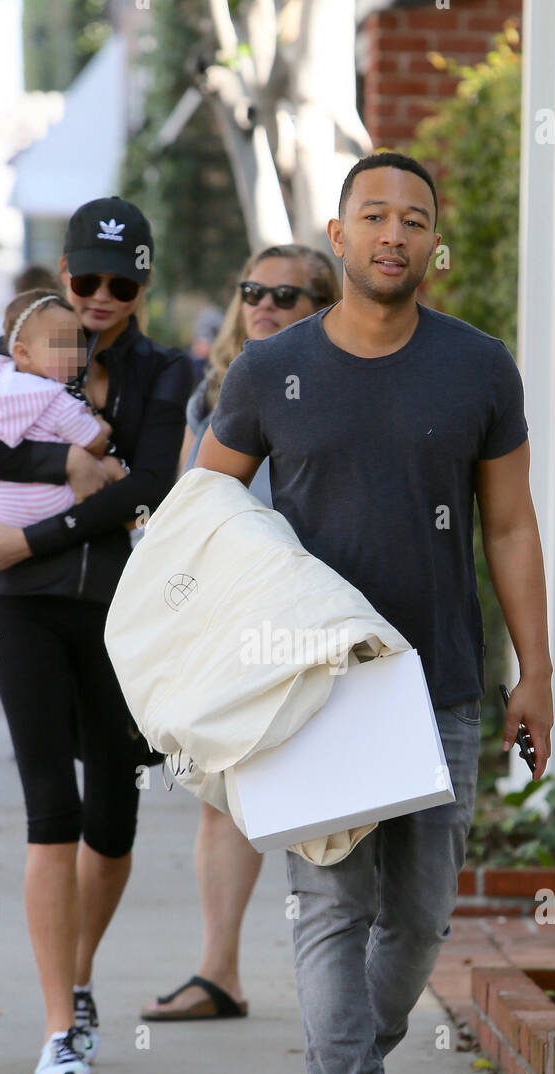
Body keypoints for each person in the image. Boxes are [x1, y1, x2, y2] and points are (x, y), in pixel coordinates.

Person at [194, 151, 554, 1074]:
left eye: (413, 219)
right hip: (315, 685)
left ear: (429, 245)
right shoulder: (269, 369)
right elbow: (204, 518)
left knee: (420, 917)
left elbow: (508, 523)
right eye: (372, 216)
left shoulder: (478, 367)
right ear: (339, 236)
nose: (393, 233)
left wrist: (535, 669)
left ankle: (342, 1064)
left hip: (440, 677)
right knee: (329, 906)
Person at [0, 196, 194, 1074]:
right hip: (25, 609)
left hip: (122, 613)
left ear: (143, 284)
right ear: (66, 273)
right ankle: (58, 1029)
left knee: (114, 814)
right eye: (88, 279)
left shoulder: (165, 373)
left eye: (122, 284)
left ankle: (79, 977)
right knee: (52, 809)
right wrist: (63, 467)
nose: (101, 298)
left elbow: (152, 484)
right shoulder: (24, 344)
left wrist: (29, 537)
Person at [141, 243, 340, 1024]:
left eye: (286, 296)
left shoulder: (341, 383)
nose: (263, 304)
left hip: (324, 609)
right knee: (220, 792)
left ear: (322, 306)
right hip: (235, 612)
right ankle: (218, 972)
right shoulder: (214, 392)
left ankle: (339, 988)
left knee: (327, 795)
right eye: (252, 290)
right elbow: (191, 506)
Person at [0, 291, 114, 662]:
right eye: (65, 347)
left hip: (1, 508)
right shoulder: (58, 399)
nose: (76, 355)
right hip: (52, 505)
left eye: (78, 345)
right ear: (26, 353)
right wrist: (101, 426)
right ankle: (137, 530)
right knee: (112, 470)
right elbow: (92, 444)